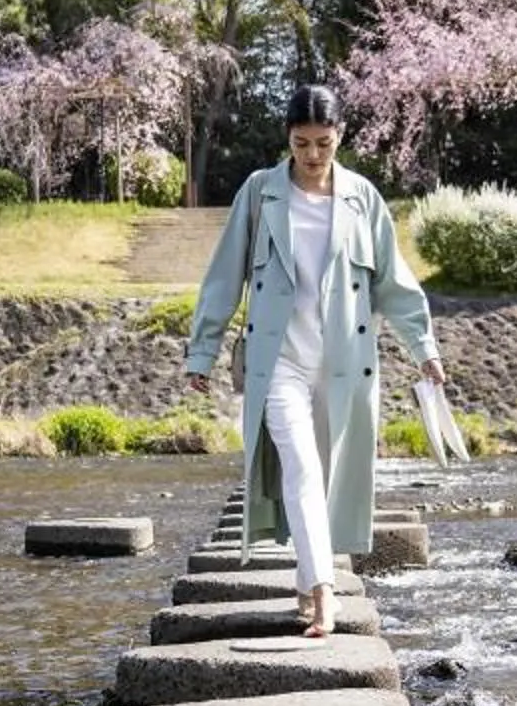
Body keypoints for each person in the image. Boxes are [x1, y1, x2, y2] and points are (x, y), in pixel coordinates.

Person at [183, 85, 445, 637]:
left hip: (344, 364)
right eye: (301, 143)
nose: (312, 155)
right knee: (300, 467)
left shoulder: (362, 198)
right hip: (277, 360)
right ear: (288, 138)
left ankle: (308, 578)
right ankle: (325, 594)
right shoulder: (259, 193)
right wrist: (201, 353)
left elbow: (394, 283)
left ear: (340, 137)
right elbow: (224, 275)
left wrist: (424, 350)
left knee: (324, 477)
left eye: (323, 143)